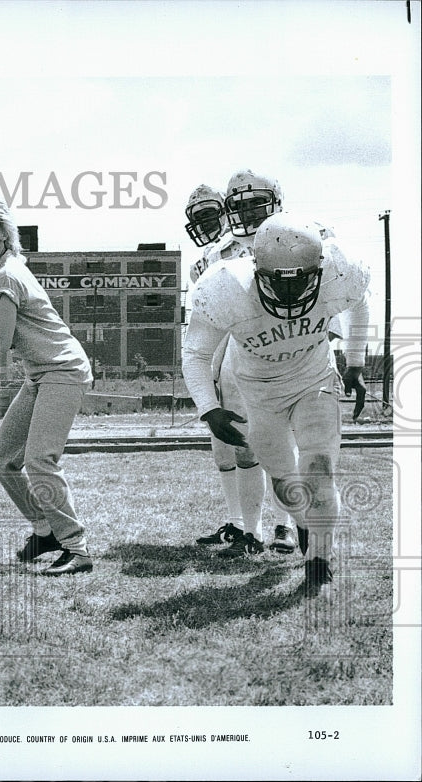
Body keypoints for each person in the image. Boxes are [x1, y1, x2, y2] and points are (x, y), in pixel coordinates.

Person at [182, 212, 371, 599]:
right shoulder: (226, 286)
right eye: (277, 283)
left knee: (319, 467)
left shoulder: (341, 271)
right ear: (257, 270)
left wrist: (355, 361)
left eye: (301, 280)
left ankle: (320, 559)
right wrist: (208, 407)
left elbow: (360, 303)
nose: (289, 293)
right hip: (258, 392)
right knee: (286, 483)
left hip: (313, 379)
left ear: (319, 269)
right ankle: (304, 523)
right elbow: (195, 352)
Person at [0, 198, 93, 576]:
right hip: (39, 374)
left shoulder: (8, 274)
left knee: (39, 460)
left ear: (4, 232)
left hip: (61, 370)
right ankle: (46, 531)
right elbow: (8, 336)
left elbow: (1, 341)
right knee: (2, 458)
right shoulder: (2, 273)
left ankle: (76, 548)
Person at [189, 170, 300, 558]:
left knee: (279, 443)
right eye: (198, 218)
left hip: (277, 354)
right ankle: (242, 526)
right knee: (235, 447)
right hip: (229, 358)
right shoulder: (211, 257)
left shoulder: (283, 237)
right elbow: (204, 323)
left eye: (210, 215)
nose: (206, 225)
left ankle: (284, 526)